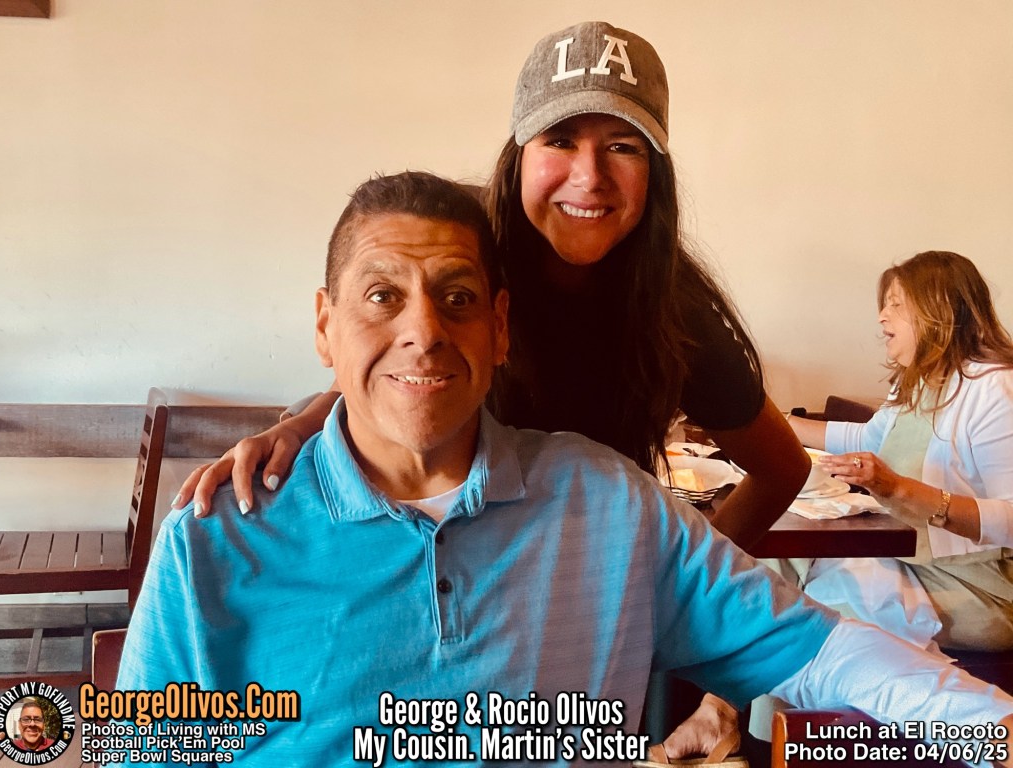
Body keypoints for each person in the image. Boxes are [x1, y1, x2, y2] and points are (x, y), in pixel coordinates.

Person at [120, 173, 1013, 767]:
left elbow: (821, 653)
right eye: (382, 296)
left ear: (500, 327)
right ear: (325, 326)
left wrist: (991, 728)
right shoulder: (218, 538)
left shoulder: (608, 504)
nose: (423, 331)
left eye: (457, 298)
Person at [175, 23, 811, 757]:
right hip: (430, 582)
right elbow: (387, 354)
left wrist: (675, 598)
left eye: (624, 146)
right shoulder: (468, 244)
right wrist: (302, 422)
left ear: (657, 172)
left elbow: (782, 467)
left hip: (572, 611)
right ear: (519, 154)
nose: (590, 176)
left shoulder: (673, 308)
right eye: (560, 140)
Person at [789, 250, 1013, 651]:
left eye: (895, 304)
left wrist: (899, 489)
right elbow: (870, 439)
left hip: (982, 585)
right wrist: (779, 424)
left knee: (810, 606)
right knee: (780, 569)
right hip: (912, 559)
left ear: (938, 310)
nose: (881, 317)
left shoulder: (995, 389)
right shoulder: (917, 380)